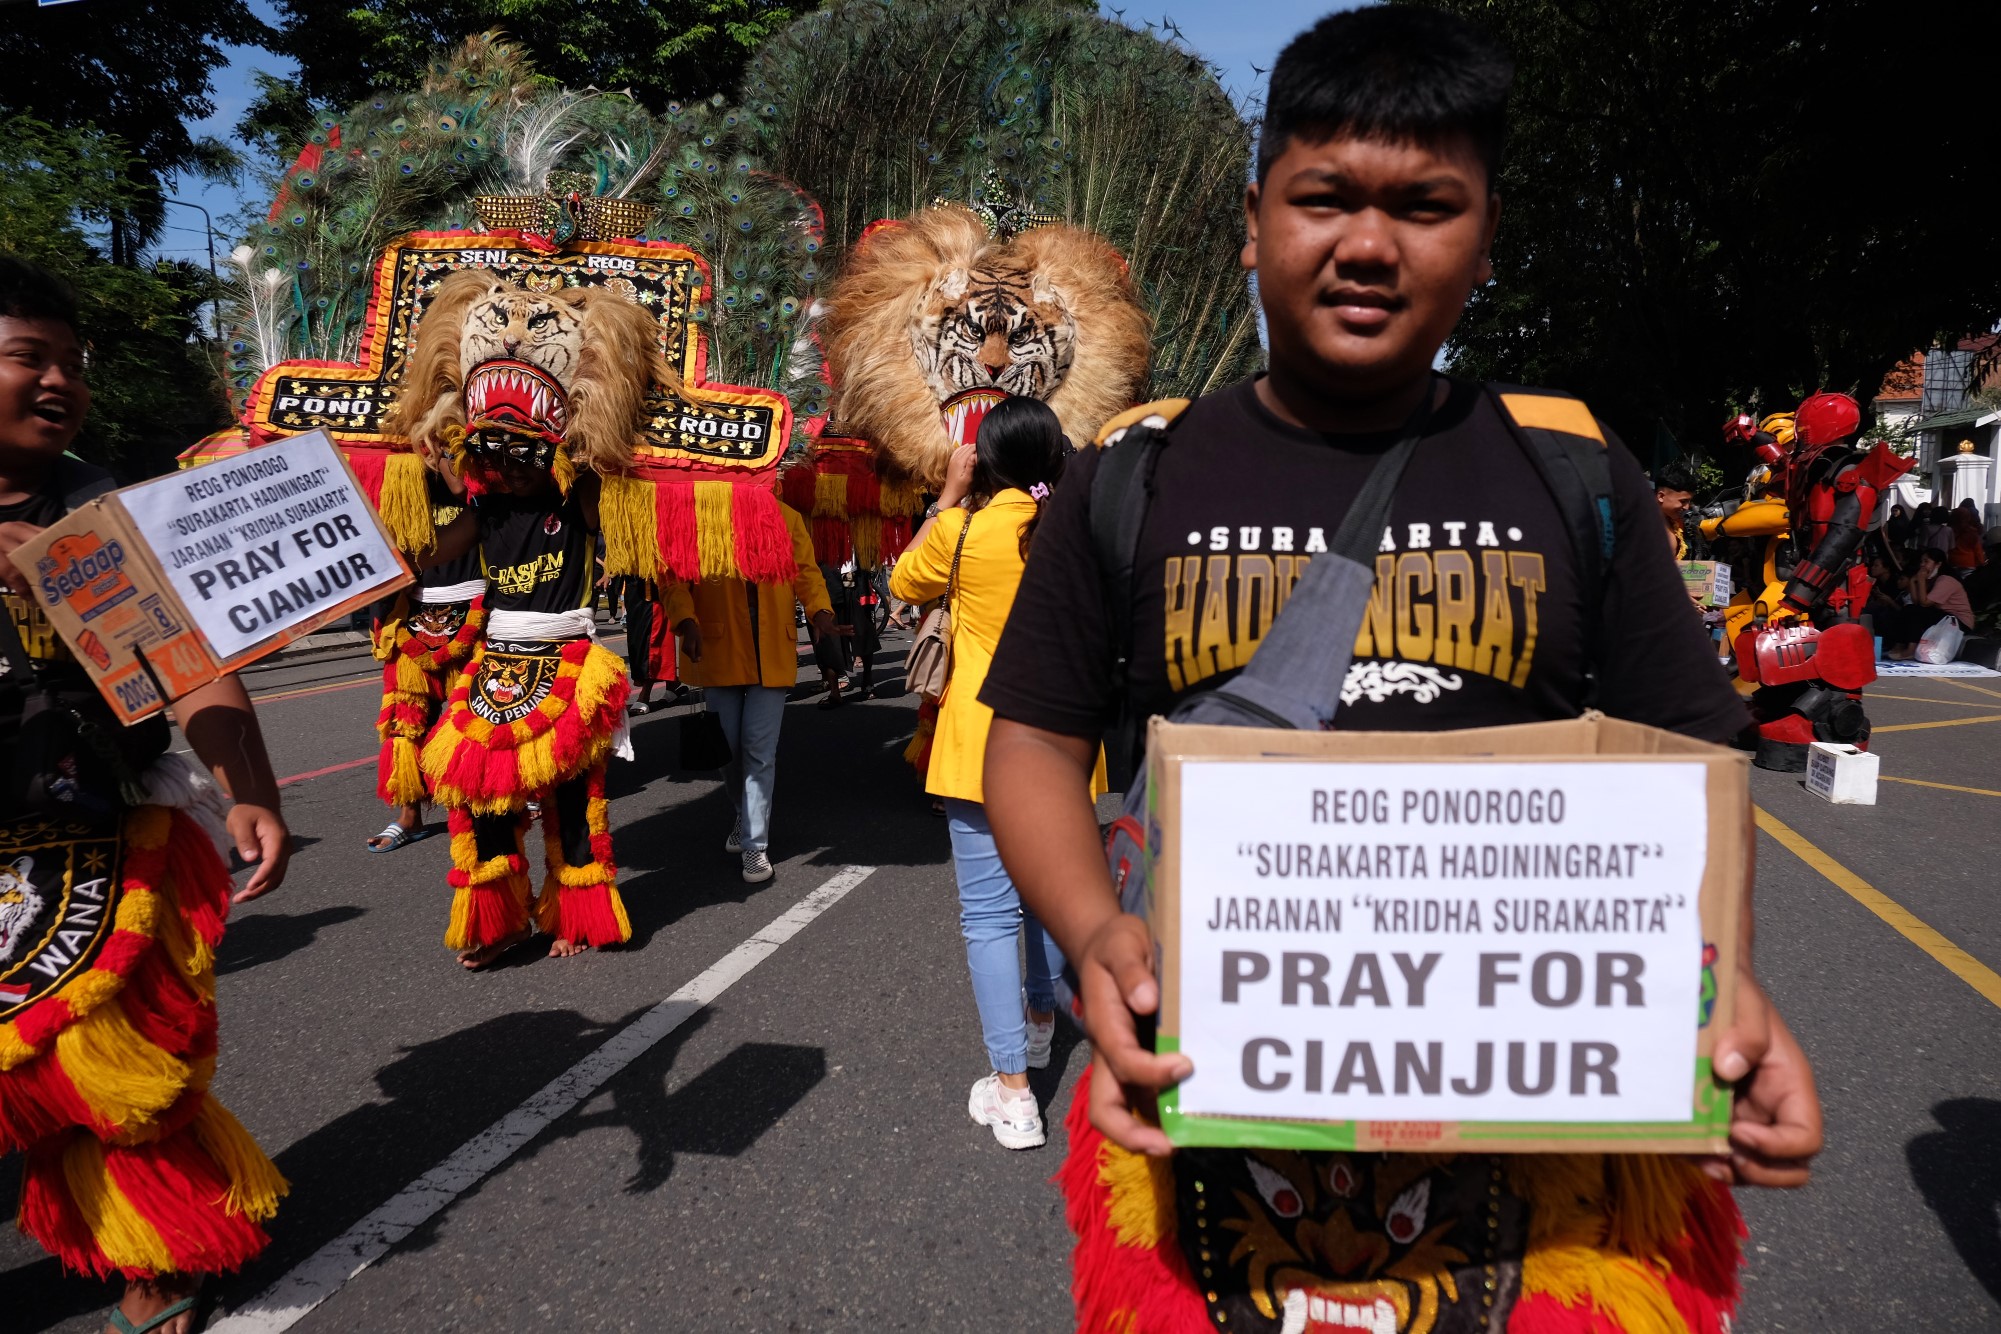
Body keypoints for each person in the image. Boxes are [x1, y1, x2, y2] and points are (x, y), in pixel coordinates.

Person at [976, 12, 1823, 1332]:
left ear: (1485, 240)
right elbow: (1028, 739)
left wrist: (1727, 985)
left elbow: (1695, 754)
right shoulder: (1134, 472)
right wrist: (1094, 938)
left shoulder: (1569, 468)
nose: (1369, 244)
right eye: (1324, 198)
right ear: (1254, 220)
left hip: (1535, 1171)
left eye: (1427, 206)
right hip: (1214, 1150)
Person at [0, 254, 292, 1334]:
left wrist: (248, 788)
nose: (57, 381)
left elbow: (194, 658)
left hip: (104, 840)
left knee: (132, 1071)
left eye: (71, 363)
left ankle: (156, 1252)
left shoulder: (103, 508)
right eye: (29, 357)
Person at [890, 399, 1086, 1150]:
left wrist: (944, 494)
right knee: (1044, 897)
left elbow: (905, 583)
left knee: (989, 916)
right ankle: (1040, 1026)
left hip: (980, 744)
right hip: (1064, 743)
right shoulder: (1075, 524)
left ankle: (1012, 1091)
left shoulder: (964, 530)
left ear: (988, 459)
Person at [663, 502, 840, 883]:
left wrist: (820, 610)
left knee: (759, 750)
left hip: (772, 650)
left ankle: (754, 847)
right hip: (719, 647)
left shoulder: (788, 517)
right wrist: (686, 620)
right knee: (727, 748)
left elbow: (806, 573)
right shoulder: (698, 515)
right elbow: (674, 577)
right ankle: (744, 812)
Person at [367, 470, 485, 853]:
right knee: (404, 721)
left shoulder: (479, 471)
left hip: (476, 611)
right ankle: (409, 815)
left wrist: (453, 469)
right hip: (412, 613)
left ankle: (489, 802)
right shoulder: (395, 477)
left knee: (479, 717)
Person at [1883, 547, 1975, 659]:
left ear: (1938, 564)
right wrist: (1913, 581)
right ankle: (1899, 645)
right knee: (1908, 609)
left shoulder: (1946, 580)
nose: (1922, 565)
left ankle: (1911, 649)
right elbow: (1916, 602)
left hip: (1958, 621)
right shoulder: (1932, 580)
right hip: (1943, 616)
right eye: (1921, 561)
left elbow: (1924, 603)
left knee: (1913, 611)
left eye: (1926, 561)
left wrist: (1921, 580)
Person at [1654, 459, 1697, 558]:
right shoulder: (1639, 520)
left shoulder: (1674, 523)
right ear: (1661, 496)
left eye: (1689, 502)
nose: (1686, 507)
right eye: (1683, 501)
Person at [1948, 497, 1987, 580]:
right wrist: (1982, 563)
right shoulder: (1972, 532)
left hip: (1952, 562)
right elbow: (1977, 550)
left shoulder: (1949, 530)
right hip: (1969, 563)